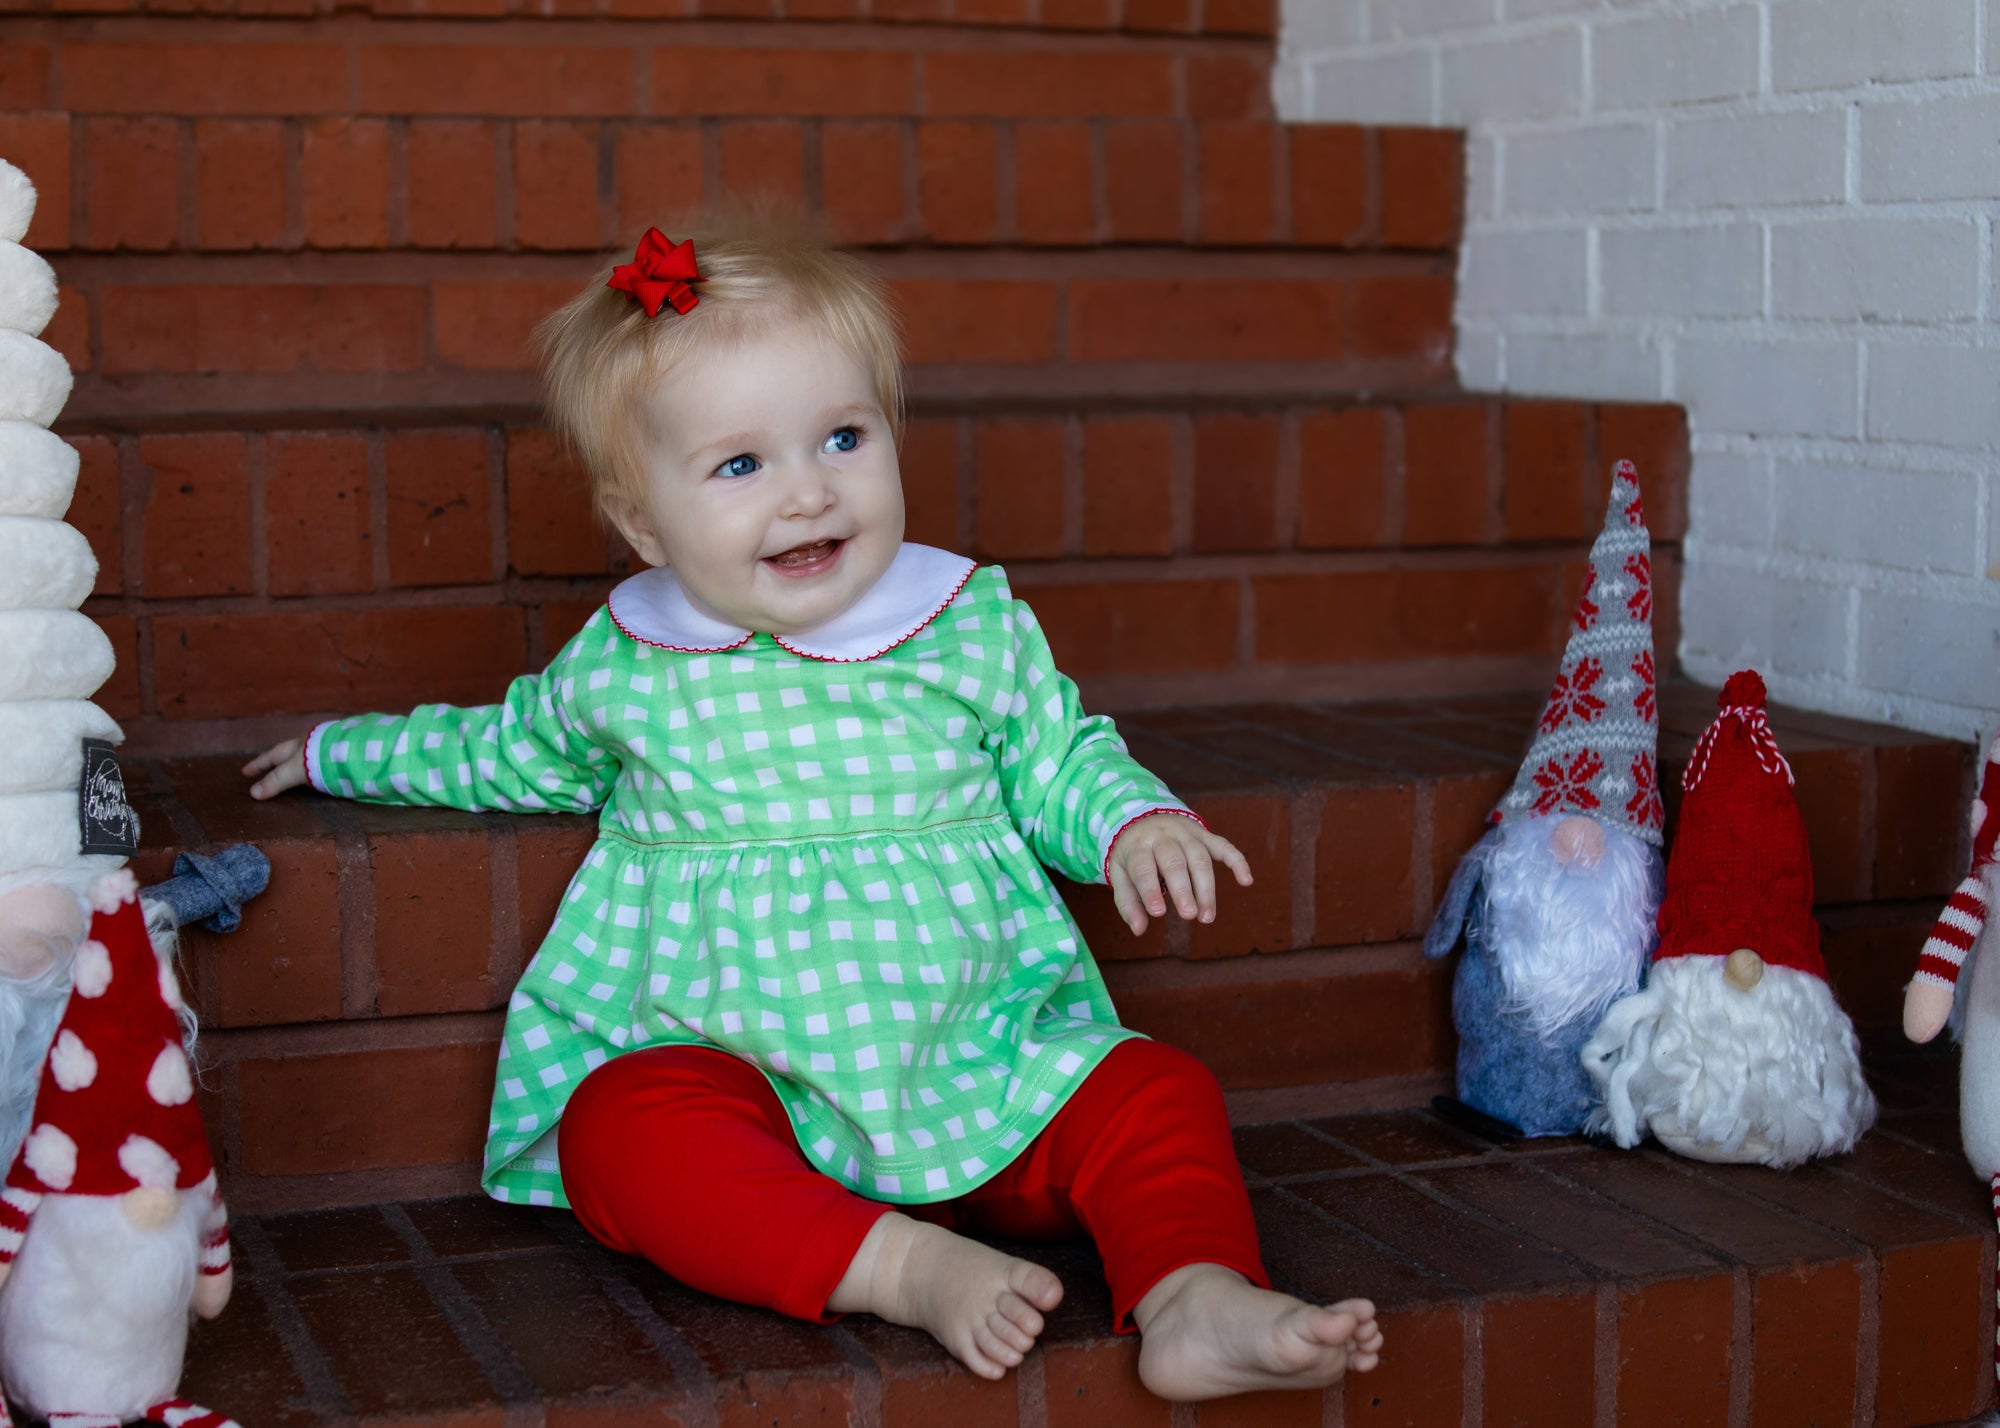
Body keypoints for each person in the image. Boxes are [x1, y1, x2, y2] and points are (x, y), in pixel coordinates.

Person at [242, 214, 1382, 1401]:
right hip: (747, 1092)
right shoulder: (628, 662)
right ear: (644, 525)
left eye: (841, 437)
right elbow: (502, 753)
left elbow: (1055, 756)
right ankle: (895, 1266)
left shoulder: (962, 622)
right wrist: (343, 751)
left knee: (1152, 1089)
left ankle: (1193, 1295)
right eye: (740, 466)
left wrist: (1129, 821)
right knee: (616, 1128)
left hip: (979, 1069)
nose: (806, 493)